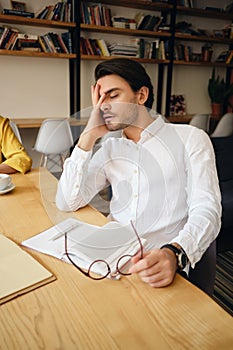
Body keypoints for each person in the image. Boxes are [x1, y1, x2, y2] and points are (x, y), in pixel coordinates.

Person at [56, 58, 221, 289]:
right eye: (99, 98)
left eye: (113, 96)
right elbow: (67, 202)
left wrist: (175, 253)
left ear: (141, 96)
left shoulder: (190, 139)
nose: (103, 106)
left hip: (162, 265)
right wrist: (87, 138)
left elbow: (208, 209)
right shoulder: (110, 148)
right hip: (113, 262)